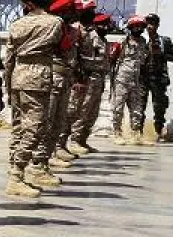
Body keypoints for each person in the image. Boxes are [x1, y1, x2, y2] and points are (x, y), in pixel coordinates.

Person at [2, 0, 62, 194]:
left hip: (18, 75)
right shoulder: (54, 22)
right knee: (35, 128)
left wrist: (8, 82)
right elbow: (62, 45)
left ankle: (15, 170)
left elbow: (9, 56)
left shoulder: (17, 24)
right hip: (37, 77)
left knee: (20, 127)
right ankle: (16, 174)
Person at [40, 0, 78, 170]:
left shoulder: (69, 30)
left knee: (58, 121)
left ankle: (49, 156)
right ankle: (39, 162)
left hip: (65, 77)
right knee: (48, 120)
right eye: (69, 11)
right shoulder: (53, 28)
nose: (73, 15)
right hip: (54, 77)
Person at [60, 0, 100, 154]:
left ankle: (72, 142)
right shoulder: (75, 29)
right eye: (89, 11)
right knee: (68, 112)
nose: (92, 14)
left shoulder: (88, 31)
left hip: (83, 76)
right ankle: (60, 145)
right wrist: (76, 77)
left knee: (78, 111)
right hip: (72, 77)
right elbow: (73, 55)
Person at [67, 9, 109, 152]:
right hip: (88, 78)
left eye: (107, 24)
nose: (106, 27)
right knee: (82, 110)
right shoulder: (89, 36)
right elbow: (79, 56)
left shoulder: (104, 40)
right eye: (103, 24)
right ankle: (74, 141)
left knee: (93, 113)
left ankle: (83, 140)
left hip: (99, 79)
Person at [108, 14, 148, 144]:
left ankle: (135, 133)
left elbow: (143, 61)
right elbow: (112, 59)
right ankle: (117, 133)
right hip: (122, 80)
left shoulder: (143, 42)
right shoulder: (123, 42)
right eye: (135, 26)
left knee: (136, 109)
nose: (138, 28)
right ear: (130, 27)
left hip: (135, 81)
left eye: (140, 26)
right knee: (118, 108)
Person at [142, 13, 173, 141]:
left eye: (153, 23)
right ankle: (138, 133)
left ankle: (158, 132)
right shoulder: (142, 40)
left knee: (159, 106)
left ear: (157, 25)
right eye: (148, 23)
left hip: (158, 78)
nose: (150, 26)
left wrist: (161, 54)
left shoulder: (165, 41)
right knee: (140, 105)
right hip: (143, 78)